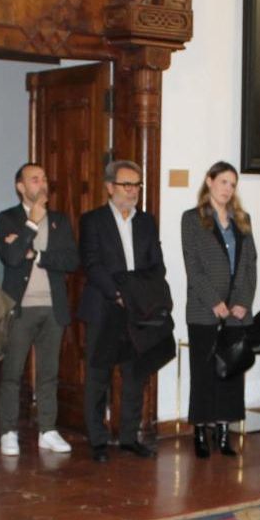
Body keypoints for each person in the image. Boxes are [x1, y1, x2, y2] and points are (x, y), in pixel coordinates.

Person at [79, 160, 166, 462]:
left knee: (134, 374)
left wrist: (137, 297)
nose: (133, 191)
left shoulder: (146, 222)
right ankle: (98, 441)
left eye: (137, 185)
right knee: (98, 374)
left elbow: (157, 265)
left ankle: (129, 436)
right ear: (110, 187)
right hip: (105, 307)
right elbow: (91, 264)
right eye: (127, 184)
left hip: (137, 311)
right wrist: (117, 293)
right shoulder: (93, 220)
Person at [0, 163, 78, 457]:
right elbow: (13, 258)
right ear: (20, 186)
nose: (41, 183)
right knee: (12, 373)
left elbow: (71, 259)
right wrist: (31, 225)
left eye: (44, 178)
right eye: (34, 179)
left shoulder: (59, 220)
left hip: (53, 307)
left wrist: (39, 255)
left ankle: (48, 429)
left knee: (49, 373)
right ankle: (8, 430)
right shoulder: (8, 218)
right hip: (21, 309)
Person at [180, 162, 258, 458]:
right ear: (209, 181)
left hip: (237, 311)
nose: (228, 189)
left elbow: (249, 265)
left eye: (232, 184)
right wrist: (215, 302)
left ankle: (224, 433)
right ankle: (201, 431)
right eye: (223, 182)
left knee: (231, 371)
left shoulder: (242, 219)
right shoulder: (192, 219)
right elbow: (194, 268)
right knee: (203, 372)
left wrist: (242, 302)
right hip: (204, 310)